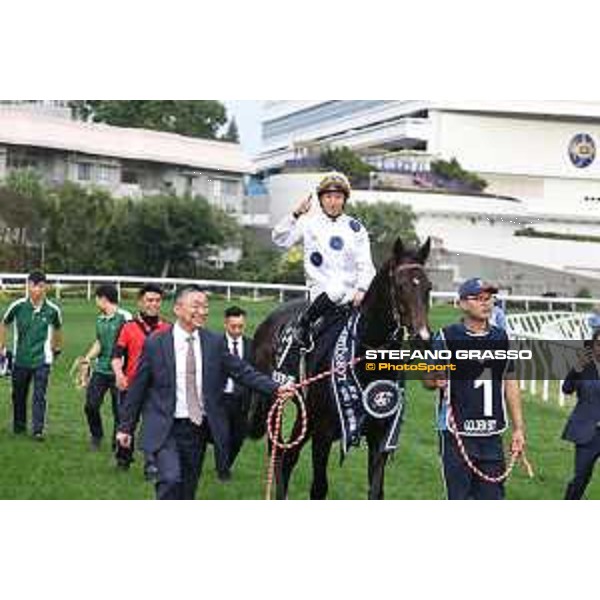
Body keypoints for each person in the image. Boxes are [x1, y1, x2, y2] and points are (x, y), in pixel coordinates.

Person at [115, 285, 295, 500]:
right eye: (196, 306)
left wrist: (276, 388)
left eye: (206, 306)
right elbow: (138, 387)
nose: (203, 311)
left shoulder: (213, 342)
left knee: (188, 489)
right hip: (165, 427)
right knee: (170, 479)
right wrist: (126, 427)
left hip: (197, 429)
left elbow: (243, 372)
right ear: (178, 309)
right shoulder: (156, 343)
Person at [424, 278, 526, 500]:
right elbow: (428, 381)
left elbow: (511, 383)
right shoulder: (446, 337)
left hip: (492, 434)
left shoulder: (502, 337)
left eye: (489, 298)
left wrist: (518, 428)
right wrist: (436, 377)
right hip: (456, 433)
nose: (486, 303)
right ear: (462, 304)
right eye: (478, 298)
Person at [272, 172, 376, 346]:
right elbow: (279, 239)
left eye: (338, 197)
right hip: (321, 293)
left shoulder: (356, 228)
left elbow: (366, 264)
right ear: (321, 200)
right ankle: (304, 324)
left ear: (344, 200)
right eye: (328, 197)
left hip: (353, 296)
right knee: (336, 290)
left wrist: (363, 288)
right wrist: (296, 214)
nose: (333, 202)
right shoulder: (308, 224)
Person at [111, 283, 171, 475]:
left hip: (157, 388)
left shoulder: (168, 328)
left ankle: (151, 463)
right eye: (149, 300)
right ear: (140, 302)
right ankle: (123, 457)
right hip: (131, 385)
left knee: (153, 424)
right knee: (127, 422)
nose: (153, 304)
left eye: (157, 300)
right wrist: (119, 374)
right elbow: (116, 355)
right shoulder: (128, 327)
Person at [0, 271, 63, 440]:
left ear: (45, 288)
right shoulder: (18, 306)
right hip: (20, 359)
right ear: (28, 286)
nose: (37, 290)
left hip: (43, 360)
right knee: (18, 394)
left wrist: (56, 348)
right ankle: (19, 426)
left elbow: (57, 328)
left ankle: (38, 430)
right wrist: (2, 347)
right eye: (33, 285)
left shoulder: (52, 310)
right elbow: (4, 323)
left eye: (41, 286)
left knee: (39, 395)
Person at [80, 285, 132, 451]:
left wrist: (123, 369)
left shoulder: (125, 317)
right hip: (101, 370)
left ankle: (117, 444)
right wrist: (87, 358)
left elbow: (131, 342)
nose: (95, 301)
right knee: (90, 406)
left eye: (96, 298)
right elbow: (100, 342)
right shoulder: (100, 319)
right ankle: (97, 435)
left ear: (103, 299)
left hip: (120, 372)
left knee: (119, 412)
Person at [215, 305, 253, 481]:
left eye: (240, 326)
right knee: (222, 436)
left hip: (242, 401)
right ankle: (223, 472)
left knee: (237, 438)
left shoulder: (251, 346)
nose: (237, 330)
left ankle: (226, 464)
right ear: (225, 324)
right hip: (221, 399)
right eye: (233, 327)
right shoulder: (215, 345)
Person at [562, 330, 600, 500]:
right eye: (599, 343)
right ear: (592, 345)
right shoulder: (583, 366)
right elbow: (567, 389)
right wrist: (576, 368)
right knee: (581, 478)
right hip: (588, 433)